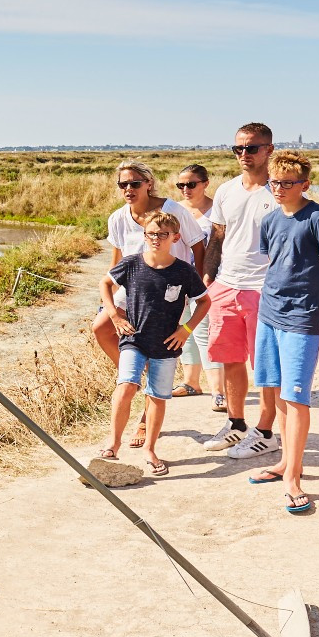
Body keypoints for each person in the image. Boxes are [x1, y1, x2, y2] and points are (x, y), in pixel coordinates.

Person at [240, 150, 319, 515]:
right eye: (275, 182)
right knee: (278, 394)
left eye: (289, 183)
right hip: (269, 312)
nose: (281, 189)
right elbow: (277, 261)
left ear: (305, 184)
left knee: (298, 397)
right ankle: (286, 462)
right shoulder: (269, 220)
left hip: (302, 317)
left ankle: (294, 478)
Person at [97, 212, 209, 477]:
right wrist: (113, 314)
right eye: (151, 234)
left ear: (175, 237)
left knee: (157, 397)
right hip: (133, 339)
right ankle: (113, 443)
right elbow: (105, 283)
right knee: (126, 385)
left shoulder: (184, 270)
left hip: (167, 345)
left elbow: (204, 301)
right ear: (144, 235)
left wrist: (186, 329)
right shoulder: (132, 263)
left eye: (162, 234)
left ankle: (150, 448)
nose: (156, 239)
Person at [201, 125, 282, 456]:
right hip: (226, 286)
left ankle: (266, 432)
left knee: (265, 366)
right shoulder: (226, 191)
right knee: (230, 360)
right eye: (238, 149)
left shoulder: (279, 192)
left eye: (251, 148)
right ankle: (236, 425)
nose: (244, 155)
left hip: (264, 289)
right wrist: (208, 277)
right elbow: (217, 237)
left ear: (269, 150)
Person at [91, 161, 208, 365]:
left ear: (149, 183)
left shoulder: (173, 210)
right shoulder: (117, 218)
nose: (128, 189)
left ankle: (162, 382)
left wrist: (196, 287)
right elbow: (116, 261)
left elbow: (198, 247)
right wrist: (108, 304)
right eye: (123, 185)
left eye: (135, 183)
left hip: (170, 288)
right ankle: (132, 374)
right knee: (100, 327)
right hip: (133, 288)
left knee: (159, 343)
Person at [170, 164, 221, 405]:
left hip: (209, 278)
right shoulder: (174, 210)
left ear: (205, 183)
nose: (186, 189)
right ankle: (191, 382)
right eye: (181, 185)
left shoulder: (216, 210)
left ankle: (218, 390)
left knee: (204, 331)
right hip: (178, 278)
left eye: (191, 184)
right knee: (182, 328)